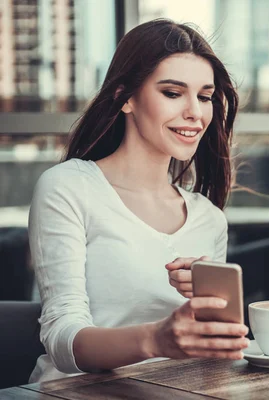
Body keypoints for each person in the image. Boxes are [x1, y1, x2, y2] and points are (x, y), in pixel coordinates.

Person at [28, 19, 249, 383]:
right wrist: (155, 338)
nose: (195, 112)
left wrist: (213, 317)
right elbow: (61, 341)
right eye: (173, 93)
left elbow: (210, 349)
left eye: (205, 96)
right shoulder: (68, 187)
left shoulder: (208, 219)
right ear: (124, 97)